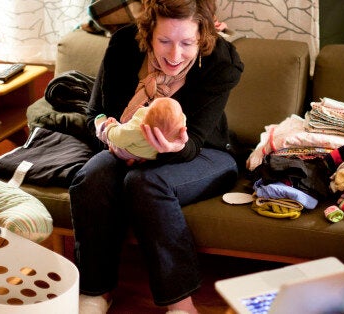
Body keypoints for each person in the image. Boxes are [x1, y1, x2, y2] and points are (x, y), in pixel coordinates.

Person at [69, 0, 244, 313]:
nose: (174, 56)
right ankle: (96, 291)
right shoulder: (123, 44)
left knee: (145, 183)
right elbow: (95, 113)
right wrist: (107, 133)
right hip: (129, 144)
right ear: (148, 33)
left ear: (202, 36)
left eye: (187, 43)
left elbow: (197, 141)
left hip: (206, 153)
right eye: (164, 41)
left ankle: (182, 305)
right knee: (90, 179)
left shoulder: (221, 61)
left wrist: (170, 148)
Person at [94, 97, 187, 162]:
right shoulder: (177, 129)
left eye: (149, 108)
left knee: (109, 131)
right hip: (146, 156)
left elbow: (118, 137)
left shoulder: (137, 129)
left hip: (124, 152)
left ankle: (100, 127)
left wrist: (111, 127)